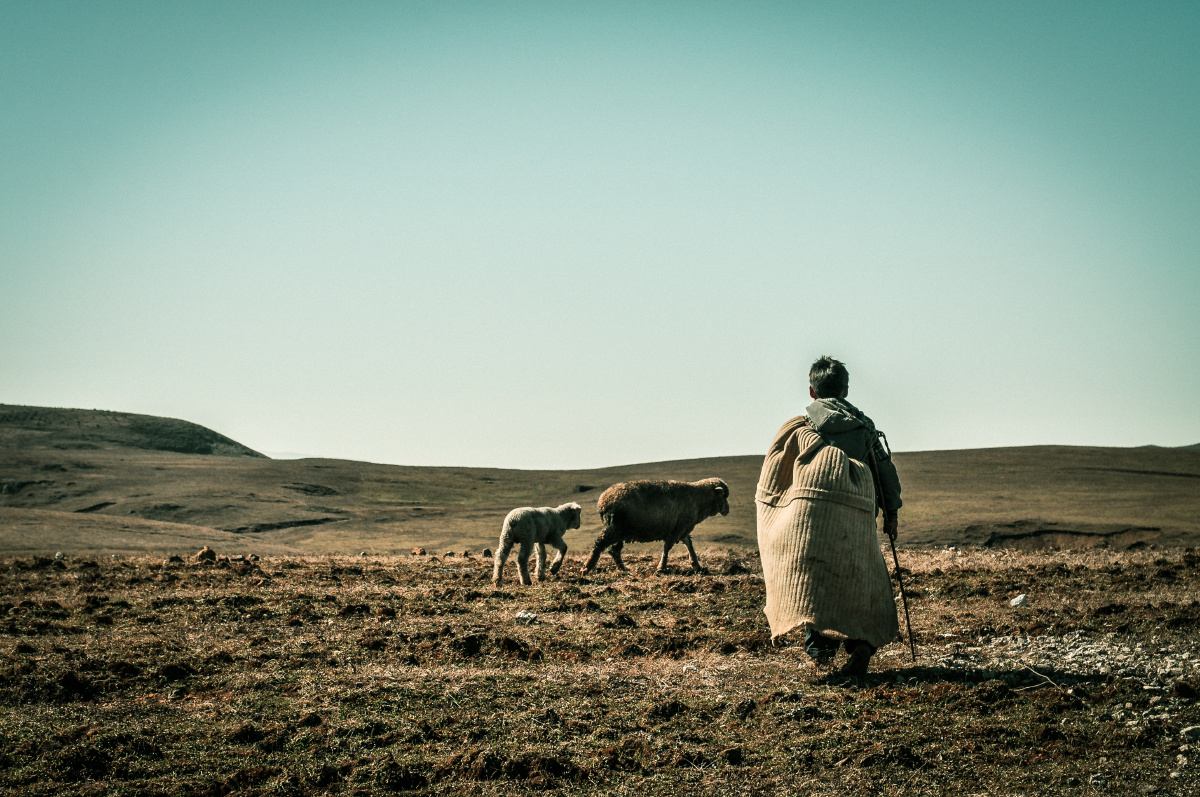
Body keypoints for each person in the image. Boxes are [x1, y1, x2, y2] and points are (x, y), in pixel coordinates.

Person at [755, 355, 902, 677]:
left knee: (813, 581)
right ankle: (861, 644)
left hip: (810, 521)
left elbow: (777, 474)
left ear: (812, 391)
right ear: (846, 390)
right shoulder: (864, 429)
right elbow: (885, 472)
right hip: (857, 517)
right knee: (861, 578)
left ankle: (820, 650)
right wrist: (891, 513)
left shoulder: (799, 427)